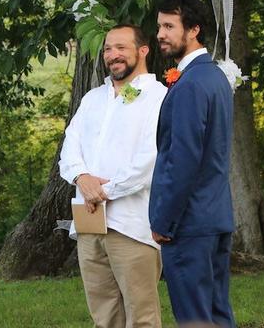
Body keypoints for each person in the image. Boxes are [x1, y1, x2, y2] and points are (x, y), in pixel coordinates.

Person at [59, 24, 167, 328]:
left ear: (143, 50)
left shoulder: (158, 97)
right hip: (89, 223)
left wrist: (103, 191)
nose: (112, 54)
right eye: (108, 48)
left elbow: (151, 159)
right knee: (104, 316)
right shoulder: (92, 98)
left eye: (121, 47)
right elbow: (70, 147)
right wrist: (82, 178)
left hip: (131, 225)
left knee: (142, 317)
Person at [149, 0, 236, 327]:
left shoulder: (190, 85)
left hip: (189, 224)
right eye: (160, 26)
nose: (160, 34)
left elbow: (183, 160)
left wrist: (164, 222)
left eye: (169, 26)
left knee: (194, 319)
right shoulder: (215, 78)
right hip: (215, 217)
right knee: (217, 315)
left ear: (194, 30)